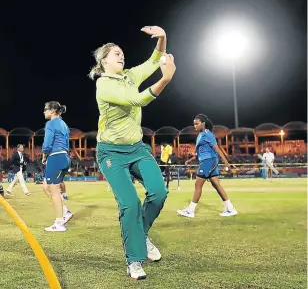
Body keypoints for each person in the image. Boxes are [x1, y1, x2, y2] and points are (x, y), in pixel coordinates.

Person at [89, 25, 176, 280]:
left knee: (159, 193)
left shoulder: (129, 76)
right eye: (116, 53)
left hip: (137, 148)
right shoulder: (104, 85)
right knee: (130, 204)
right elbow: (136, 101)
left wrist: (162, 38)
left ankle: (140, 234)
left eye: (122, 53)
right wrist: (165, 79)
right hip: (111, 153)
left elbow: (154, 60)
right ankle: (134, 260)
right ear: (103, 60)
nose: (121, 55)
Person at [177, 114, 237, 218]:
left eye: (197, 123)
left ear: (203, 123)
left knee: (197, 185)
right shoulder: (200, 135)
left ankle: (190, 211)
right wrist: (190, 159)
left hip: (209, 162)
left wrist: (226, 162)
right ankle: (230, 209)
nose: (195, 126)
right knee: (216, 185)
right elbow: (201, 151)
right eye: (194, 124)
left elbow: (216, 148)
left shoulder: (207, 134)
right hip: (206, 161)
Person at [42, 101, 72, 232]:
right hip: (64, 156)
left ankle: (59, 223)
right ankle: (65, 211)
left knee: (53, 190)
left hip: (56, 156)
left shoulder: (50, 123)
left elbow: (47, 143)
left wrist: (44, 155)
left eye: (45, 109)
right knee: (46, 187)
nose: (44, 112)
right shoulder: (63, 124)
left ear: (52, 111)